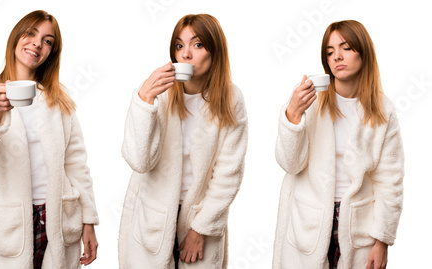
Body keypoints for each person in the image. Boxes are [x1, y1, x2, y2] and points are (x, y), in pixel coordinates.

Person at [0, 10, 99, 269]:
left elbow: (76, 162)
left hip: (57, 215)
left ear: (51, 53)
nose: (37, 43)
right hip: (7, 220)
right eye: (31, 33)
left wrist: (88, 220)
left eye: (48, 41)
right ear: (16, 37)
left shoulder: (59, 98)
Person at [118, 13, 248, 269]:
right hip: (152, 217)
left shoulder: (231, 98)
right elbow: (139, 161)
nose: (186, 54)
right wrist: (144, 101)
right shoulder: (158, 93)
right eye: (179, 45)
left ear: (215, 52)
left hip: (201, 217)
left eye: (197, 45)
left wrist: (200, 229)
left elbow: (228, 175)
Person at [272, 20, 404, 269]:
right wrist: (292, 115)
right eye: (330, 51)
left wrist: (382, 240)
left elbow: (390, 180)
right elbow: (290, 164)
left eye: (346, 47)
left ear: (363, 52)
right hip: (307, 220)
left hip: (358, 225)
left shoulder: (383, 110)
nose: (337, 57)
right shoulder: (309, 99)